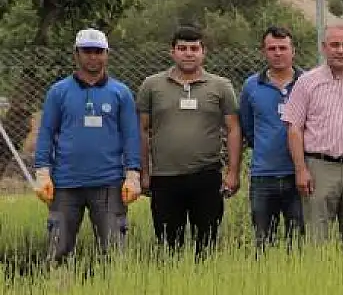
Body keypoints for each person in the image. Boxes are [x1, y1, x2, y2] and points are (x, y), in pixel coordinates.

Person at [32, 29, 141, 263]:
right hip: (65, 184)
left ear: (107, 54)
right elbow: (46, 134)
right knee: (58, 249)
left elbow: (132, 136)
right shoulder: (58, 92)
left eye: (98, 52)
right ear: (76, 54)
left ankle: (115, 293)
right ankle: (58, 291)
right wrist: (42, 172)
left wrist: (133, 174)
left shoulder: (120, 93)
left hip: (109, 184)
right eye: (87, 51)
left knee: (114, 250)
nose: (93, 57)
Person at [138, 26, 240, 258]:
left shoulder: (221, 86)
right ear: (172, 52)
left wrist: (233, 172)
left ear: (204, 52)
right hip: (164, 178)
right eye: (182, 48)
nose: (188, 53)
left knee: (206, 245)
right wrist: (144, 173)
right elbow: (142, 130)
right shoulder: (152, 85)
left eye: (194, 48)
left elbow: (233, 129)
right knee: (168, 246)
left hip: (206, 175)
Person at [283, 25, 343, 244]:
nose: (340, 50)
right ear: (324, 48)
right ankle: (319, 277)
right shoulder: (307, 82)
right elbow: (294, 128)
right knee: (316, 235)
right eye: (335, 45)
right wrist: (301, 169)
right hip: (319, 167)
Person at [239, 26, 305, 249]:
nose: (278, 53)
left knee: (297, 241)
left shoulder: (308, 83)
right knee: (263, 241)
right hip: (263, 175)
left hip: (299, 174)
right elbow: (247, 127)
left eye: (283, 48)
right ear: (263, 52)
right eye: (272, 48)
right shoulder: (251, 86)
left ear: (293, 51)